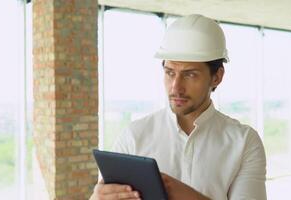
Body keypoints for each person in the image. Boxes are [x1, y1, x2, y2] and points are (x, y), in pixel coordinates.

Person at [90, 14, 266, 200]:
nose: (176, 87)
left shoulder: (244, 142)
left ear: (217, 77)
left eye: (190, 75)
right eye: (170, 73)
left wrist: (184, 195)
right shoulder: (134, 136)